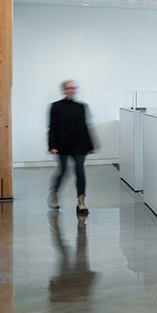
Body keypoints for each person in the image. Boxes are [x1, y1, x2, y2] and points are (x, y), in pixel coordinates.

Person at [48, 79, 97, 214]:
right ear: (64, 90)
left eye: (73, 88)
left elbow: (85, 126)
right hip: (62, 145)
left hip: (79, 145)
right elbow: (52, 127)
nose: (71, 90)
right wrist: (52, 145)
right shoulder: (55, 106)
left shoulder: (81, 106)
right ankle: (54, 194)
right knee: (63, 170)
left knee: (80, 171)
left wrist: (90, 145)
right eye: (69, 88)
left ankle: (81, 201)